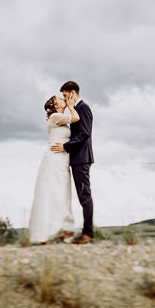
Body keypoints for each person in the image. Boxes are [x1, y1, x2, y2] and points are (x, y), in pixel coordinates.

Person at [27, 94, 80, 244]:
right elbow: (75, 118)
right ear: (56, 106)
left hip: (62, 160)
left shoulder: (59, 118)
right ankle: (48, 231)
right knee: (53, 192)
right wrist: (71, 107)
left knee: (61, 192)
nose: (64, 100)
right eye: (61, 99)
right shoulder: (55, 117)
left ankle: (63, 229)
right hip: (54, 159)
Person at [51, 80, 94, 244]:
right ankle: (85, 233)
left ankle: (88, 234)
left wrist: (65, 146)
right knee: (82, 196)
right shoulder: (75, 110)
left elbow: (85, 134)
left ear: (73, 93)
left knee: (85, 196)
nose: (64, 98)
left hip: (82, 159)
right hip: (76, 159)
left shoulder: (83, 108)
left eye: (65, 95)